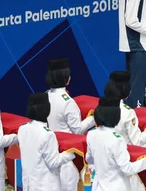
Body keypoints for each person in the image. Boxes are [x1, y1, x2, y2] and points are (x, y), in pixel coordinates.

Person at [45, 58, 95, 191]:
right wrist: (93, 118)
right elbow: (77, 130)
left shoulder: (44, 96)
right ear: (67, 78)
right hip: (67, 154)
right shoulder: (68, 102)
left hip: (49, 151)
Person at [86, 97, 146, 190]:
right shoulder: (117, 139)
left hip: (98, 187)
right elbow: (127, 169)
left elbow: (89, 159)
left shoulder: (91, 134)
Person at [18, 92, 75, 191]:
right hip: (46, 186)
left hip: (29, 185)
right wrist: (72, 152)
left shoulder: (22, 129)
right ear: (46, 108)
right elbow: (54, 162)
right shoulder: (47, 134)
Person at [103, 71, 146, 147]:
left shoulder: (101, 106)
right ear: (127, 92)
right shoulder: (128, 112)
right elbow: (137, 141)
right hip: (126, 152)